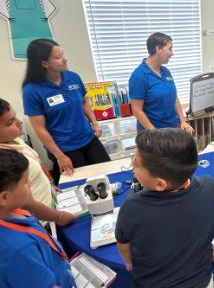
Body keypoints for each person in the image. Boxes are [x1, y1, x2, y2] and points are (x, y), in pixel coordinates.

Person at [115, 128, 214, 287]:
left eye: (135, 163)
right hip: (202, 280)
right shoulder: (209, 186)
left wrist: (128, 262)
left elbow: (123, 243)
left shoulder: (133, 206)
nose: (132, 166)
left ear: (160, 184)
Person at [22, 38, 110, 184]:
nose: (65, 60)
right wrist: (60, 156)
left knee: (108, 174)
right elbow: (40, 129)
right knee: (81, 185)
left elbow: (83, 102)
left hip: (88, 138)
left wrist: (95, 123)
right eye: (58, 57)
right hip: (64, 148)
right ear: (44, 64)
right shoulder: (32, 90)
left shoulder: (73, 77)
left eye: (62, 54)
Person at [0, 149, 75, 287]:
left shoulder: (10, 208)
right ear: (5, 197)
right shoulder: (19, 250)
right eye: (24, 182)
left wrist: (60, 216)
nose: (30, 182)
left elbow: (32, 206)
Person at [0, 98, 75, 226]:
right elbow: (28, 204)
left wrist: (48, 185)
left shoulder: (13, 140)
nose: (19, 122)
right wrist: (60, 217)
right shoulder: (6, 161)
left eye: (15, 116)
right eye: (10, 122)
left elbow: (34, 171)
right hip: (43, 219)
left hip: (50, 204)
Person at [129, 32, 194, 134]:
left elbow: (175, 98)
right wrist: (154, 132)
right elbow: (137, 111)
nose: (172, 53)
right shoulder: (139, 76)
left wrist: (183, 121)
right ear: (158, 49)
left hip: (173, 128)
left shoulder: (166, 71)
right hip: (152, 133)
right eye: (170, 49)